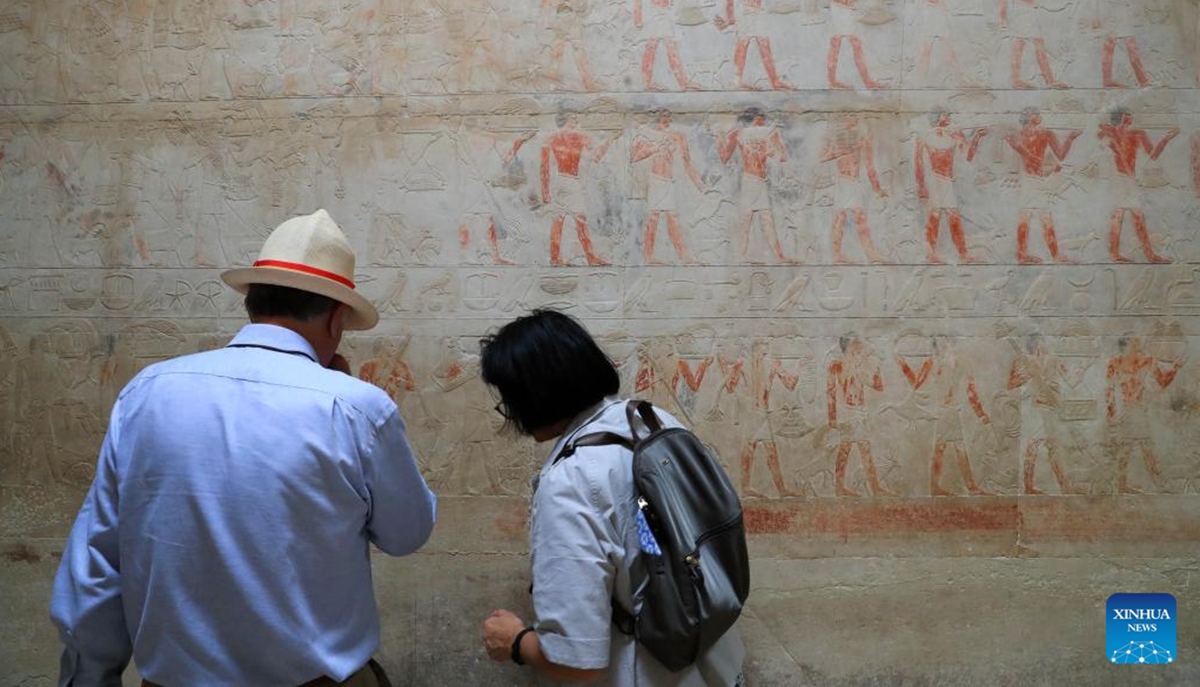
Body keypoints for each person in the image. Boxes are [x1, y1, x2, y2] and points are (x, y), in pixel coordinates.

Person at [49, 209, 437, 686]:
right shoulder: (355, 408)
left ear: (252, 303)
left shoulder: (147, 393)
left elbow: (97, 565)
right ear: (337, 320)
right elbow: (407, 533)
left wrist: (88, 678)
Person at [479, 309, 744, 686]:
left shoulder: (570, 483)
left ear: (532, 396)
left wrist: (514, 641)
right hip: (716, 657)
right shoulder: (652, 420)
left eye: (509, 398)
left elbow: (577, 663)